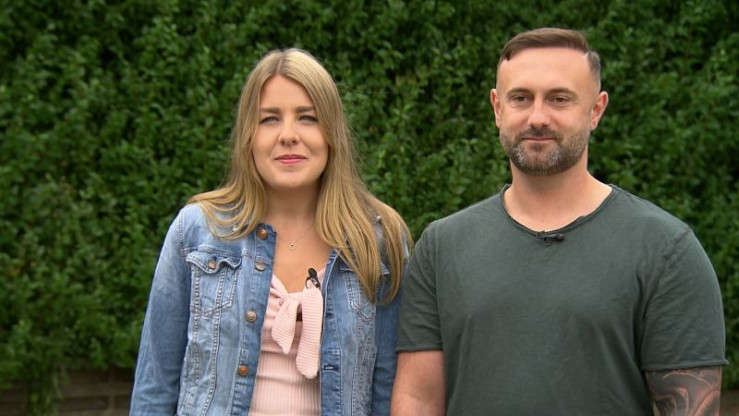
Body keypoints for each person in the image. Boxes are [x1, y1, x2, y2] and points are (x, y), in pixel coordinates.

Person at [390, 28, 727, 416]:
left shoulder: (665, 249)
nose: (537, 117)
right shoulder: (442, 247)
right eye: (520, 98)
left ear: (596, 110)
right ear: (497, 108)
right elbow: (418, 400)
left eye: (559, 99)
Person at [129, 47, 412, 416]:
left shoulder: (378, 241)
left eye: (307, 118)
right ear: (249, 134)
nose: (288, 135)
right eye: (269, 119)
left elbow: (387, 393)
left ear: (332, 132)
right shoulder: (197, 232)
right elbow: (154, 388)